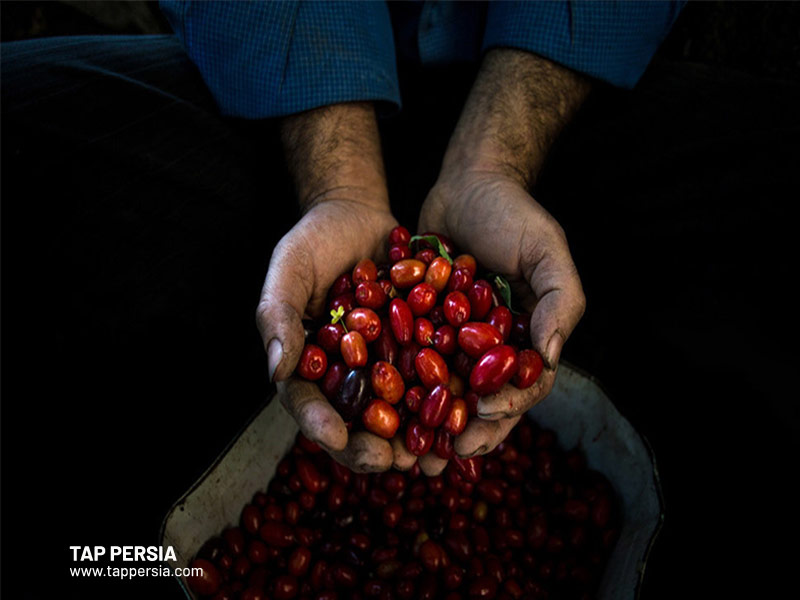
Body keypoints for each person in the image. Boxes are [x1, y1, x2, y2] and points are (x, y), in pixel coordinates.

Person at [157, 0, 685, 474]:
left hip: (527, 93)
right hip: (308, 98)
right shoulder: (394, 319)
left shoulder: (407, 320)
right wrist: (339, 185)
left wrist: (493, 162)